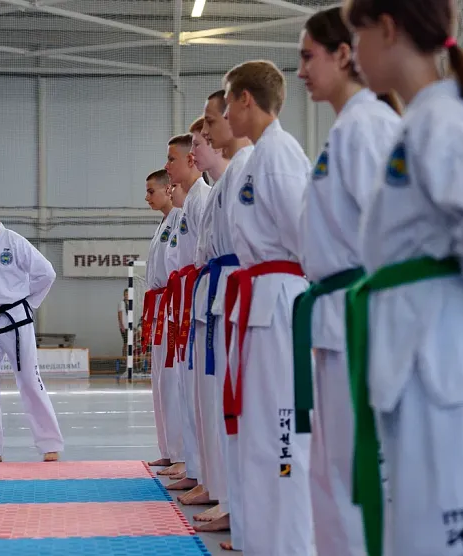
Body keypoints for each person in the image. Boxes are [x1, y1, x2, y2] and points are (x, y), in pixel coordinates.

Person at [342, 0, 463, 554]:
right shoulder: (423, 121)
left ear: (388, 29)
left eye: (357, 37)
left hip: (449, 358)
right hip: (428, 356)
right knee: (424, 532)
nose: (354, 54)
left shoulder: (444, 120)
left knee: (455, 537)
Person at [292, 7, 401, 556]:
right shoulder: (345, 130)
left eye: (308, 57)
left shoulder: (369, 127)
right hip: (338, 320)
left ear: (342, 55)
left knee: (357, 476)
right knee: (332, 474)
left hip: (366, 322)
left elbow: (400, 234)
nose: (300, 71)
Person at [221, 60, 313, 555]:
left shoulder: (279, 155)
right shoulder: (260, 156)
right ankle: (263, 541)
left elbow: (306, 239)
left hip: (280, 303)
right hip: (258, 299)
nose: (225, 115)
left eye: (227, 103)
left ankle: (291, 546)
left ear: (245, 99)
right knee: (258, 433)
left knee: (283, 435)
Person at [190, 89, 255, 546]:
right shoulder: (223, 184)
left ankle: (238, 504)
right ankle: (226, 495)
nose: (205, 137)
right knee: (217, 404)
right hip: (222, 290)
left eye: (209, 125)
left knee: (234, 407)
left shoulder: (250, 167)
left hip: (242, 288)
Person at [0, 194, 64, 463]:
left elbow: (46, 273)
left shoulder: (14, 242)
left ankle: (50, 444)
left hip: (16, 320)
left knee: (29, 380)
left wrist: (27, 302)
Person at [180, 116, 228, 507]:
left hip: (226, 292)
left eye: (200, 142)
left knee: (216, 401)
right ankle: (207, 478)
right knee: (199, 398)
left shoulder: (213, 189)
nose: (196, 149)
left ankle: (220, 488)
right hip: (207, 291)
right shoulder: (208, 193)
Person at [162, 133, 211, 492]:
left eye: (171, 159)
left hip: (198, 294)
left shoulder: (201, 198)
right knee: (185, 387)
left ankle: (203, 473)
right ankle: (194, 467)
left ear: (191, 160)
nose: (167, 167)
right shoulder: (189, 203)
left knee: (195, 390)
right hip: (186, 297)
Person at [141, 169, 181, 470]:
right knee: (159, 382)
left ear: (168, 190)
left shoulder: (180, 217)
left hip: (173, 304)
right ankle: (168, 449)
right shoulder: (164, 223)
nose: (147, 197)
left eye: (151, 191)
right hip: (159, 305)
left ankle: (181, 455)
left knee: (172, 381)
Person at [118, 288, 129, 356]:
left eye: (128, 294)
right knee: (126, 342)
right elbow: (119, 314)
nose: (127, 296)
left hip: (128, 326)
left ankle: (127, 357)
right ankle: (124, 358)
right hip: (124, 326)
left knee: (128, 343)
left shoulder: (129, 303)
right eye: (126, 294)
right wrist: (122, 325)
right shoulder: (122, 303)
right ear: (124, 295)